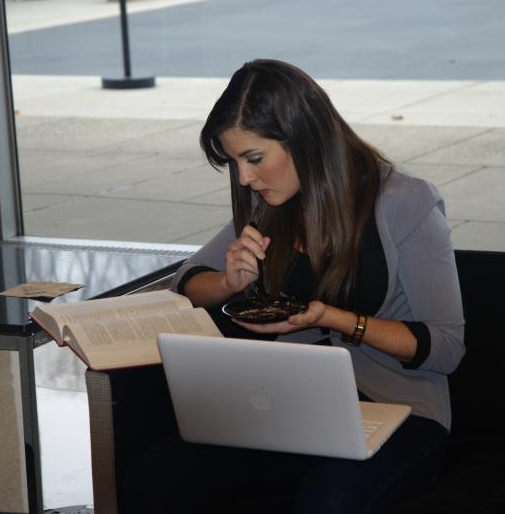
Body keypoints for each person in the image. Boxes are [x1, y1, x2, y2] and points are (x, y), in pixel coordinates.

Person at [124, 59, 465, 513]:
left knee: (329, 499)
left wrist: (332, 318)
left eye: (254, 158)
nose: (244, 178)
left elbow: (446, 348)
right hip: (294, 411)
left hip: (400, 412)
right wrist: (228, 282)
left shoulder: (404, 202)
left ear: (305, 140)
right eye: (236, 163)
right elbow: (186, 285)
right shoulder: (272, 204)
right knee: (154, 477)